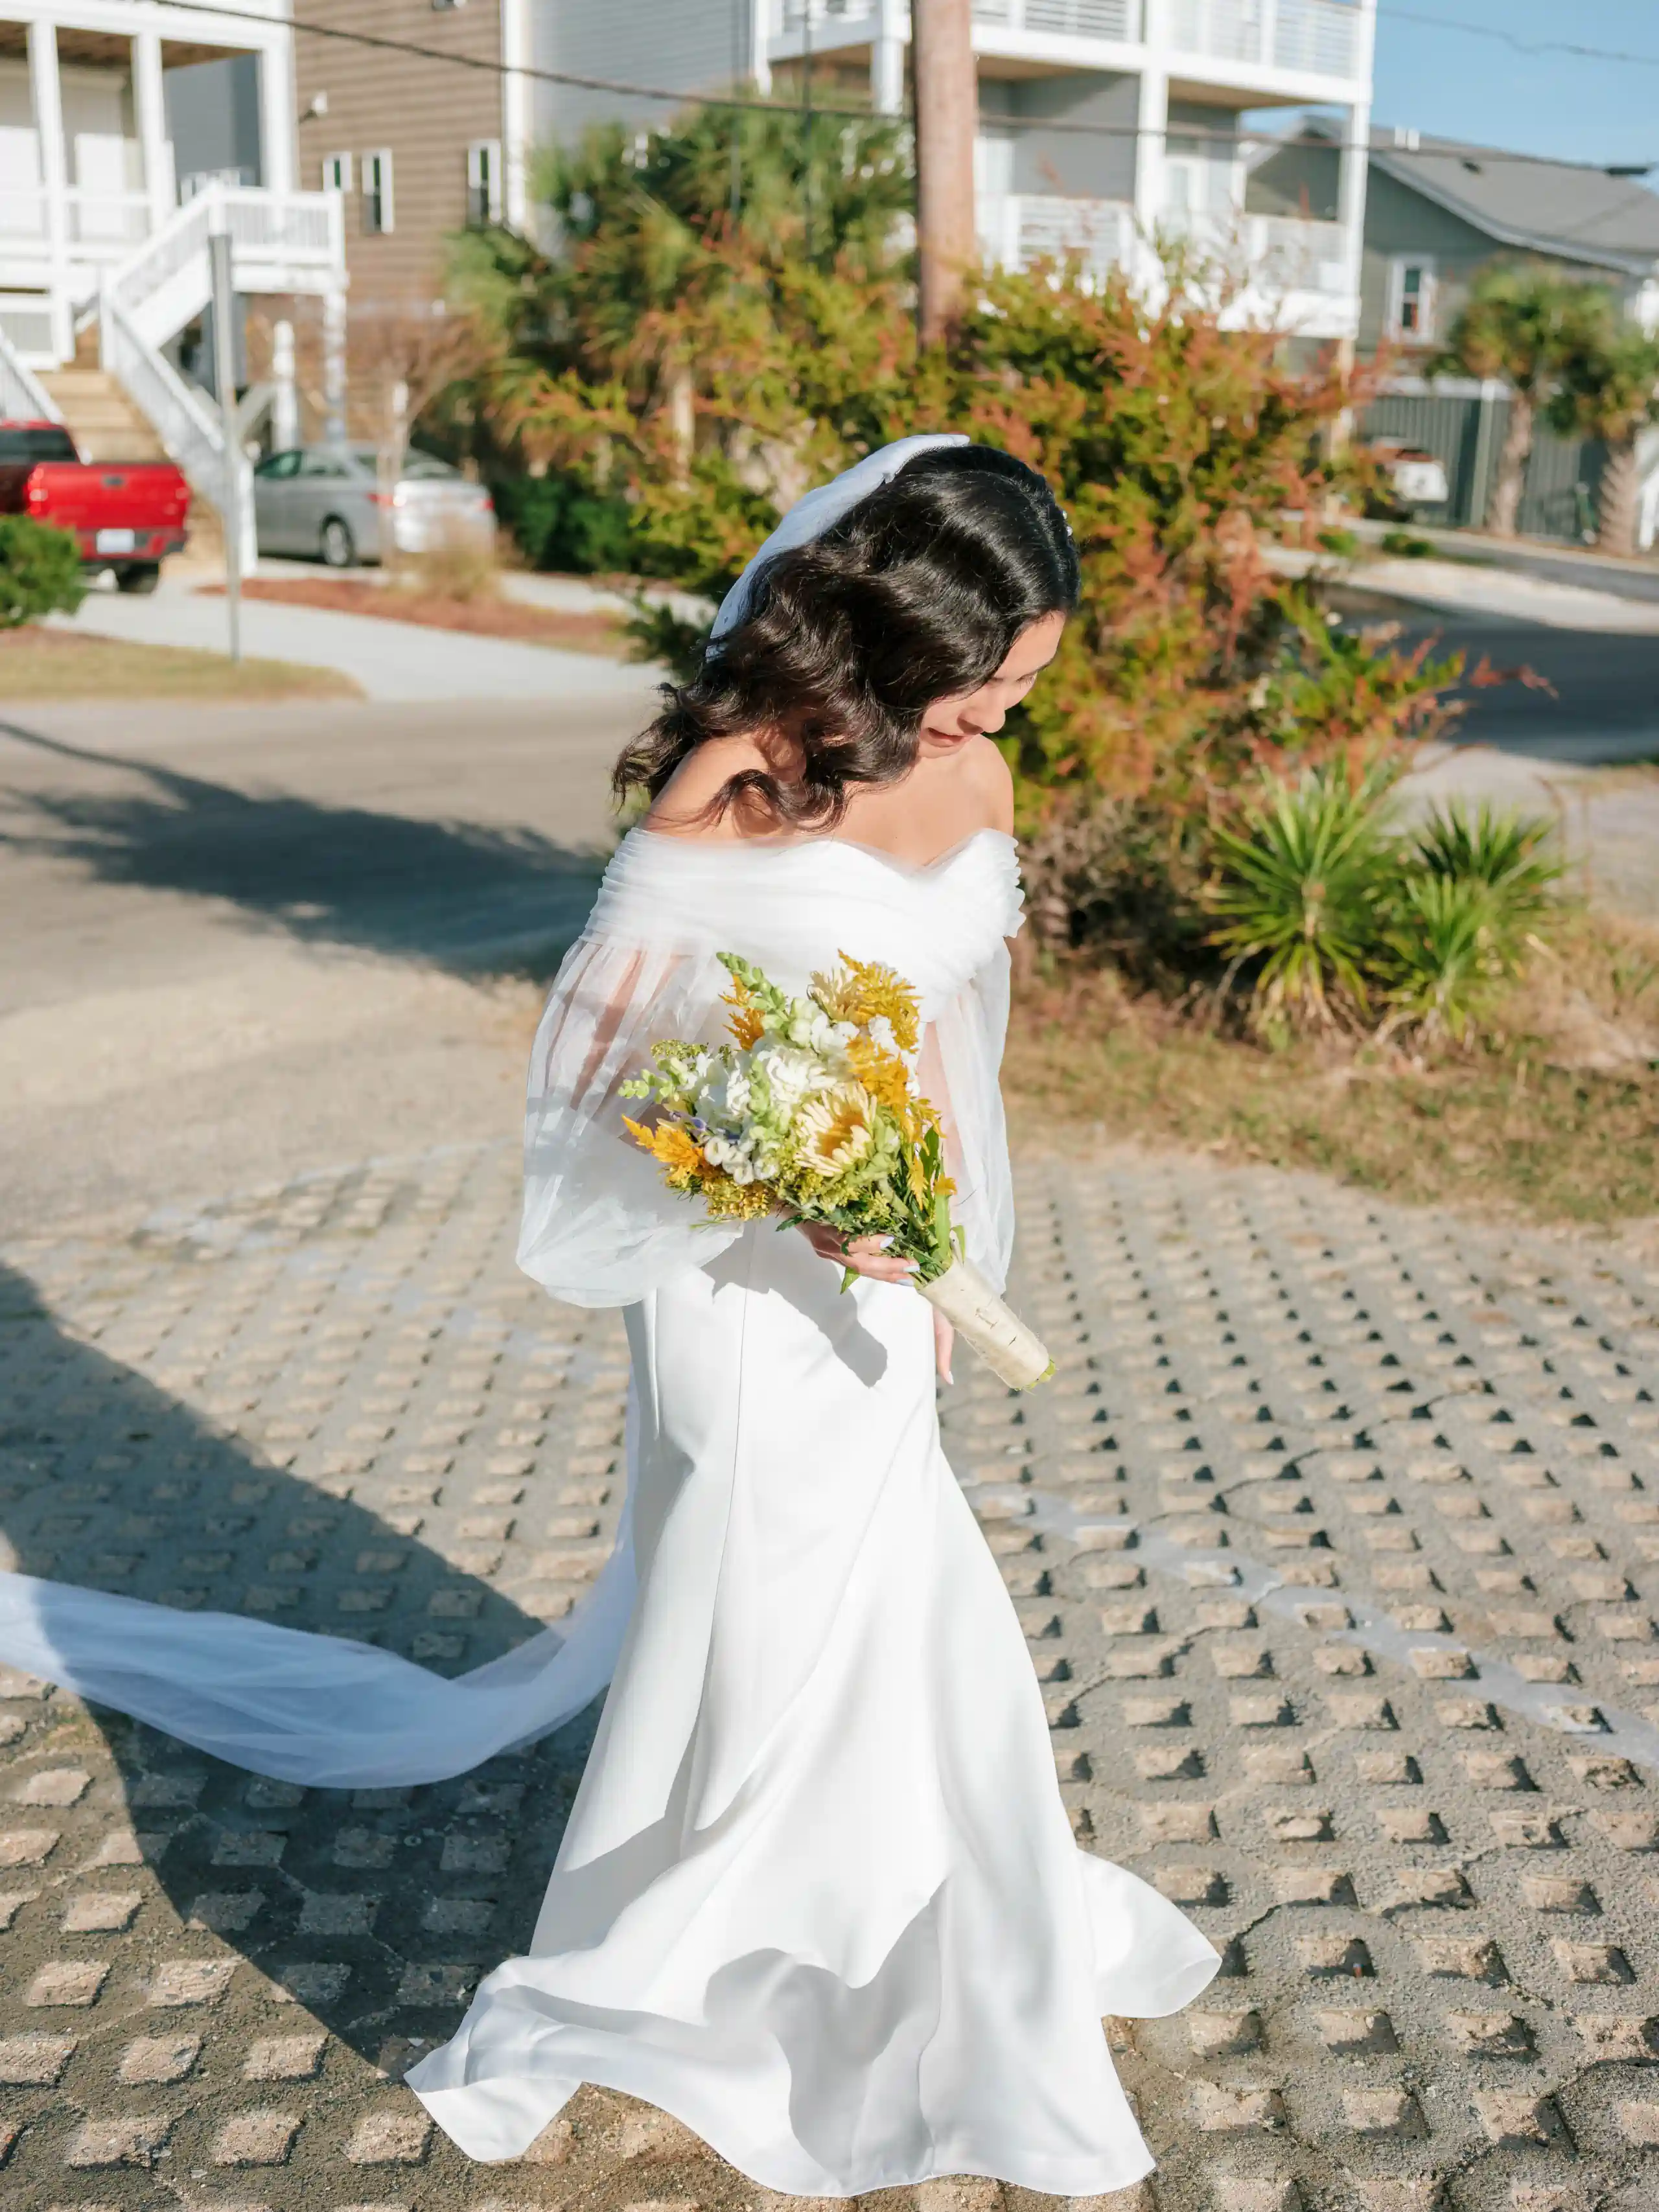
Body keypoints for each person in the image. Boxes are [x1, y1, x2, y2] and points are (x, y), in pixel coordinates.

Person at [0, 435, 1218, 2198]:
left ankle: (912, 1906)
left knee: (890, 1587)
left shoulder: (985, 788)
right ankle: (682, 1949)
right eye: (981, 685)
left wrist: (937, 1237)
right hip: (734, 1285)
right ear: (884, 637)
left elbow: (956, 1028)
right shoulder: (735, 779)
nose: (999, 721)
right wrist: (763, 1160)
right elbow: (591, 1060)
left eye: (1027, 686)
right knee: (746, 1592)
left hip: (879, 1286)